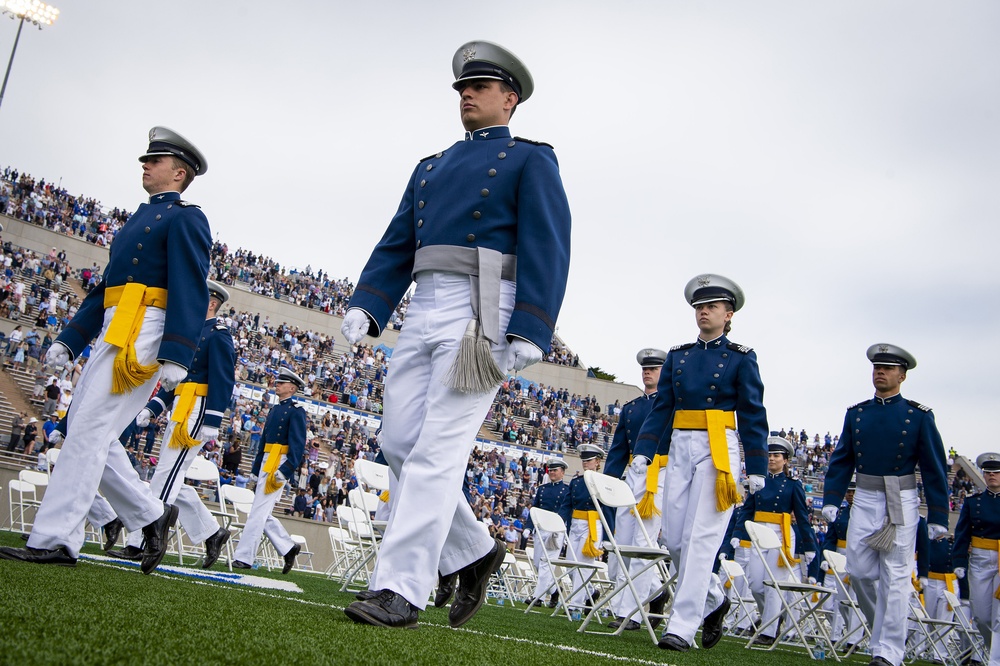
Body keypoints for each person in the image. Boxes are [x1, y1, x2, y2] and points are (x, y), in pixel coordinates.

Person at [341, 40, 571, 630]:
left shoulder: (530, 159)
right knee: (397, 442)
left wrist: (531, 326)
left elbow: (548, 245)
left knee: (438, 452)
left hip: (482, 310)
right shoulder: (431, 166)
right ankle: (473, 549)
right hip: (423, 307)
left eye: (481, 87)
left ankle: (400, 589)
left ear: (509, 99)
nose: (466, 94)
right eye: (462, 88)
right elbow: (398, 241)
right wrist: (370, 304)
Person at [0, 127, 211, 573]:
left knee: (90, 431)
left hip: (147, 332)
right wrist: (70, 339)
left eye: (154, 161)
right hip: (116, 328)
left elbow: (189, 287)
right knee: (85, 429)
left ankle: (56, 539)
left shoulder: (188, 218)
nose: (145, 165)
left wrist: (177, 353)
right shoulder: (137, 219)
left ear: (178, 172)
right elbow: (105, 289)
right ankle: (151, 515)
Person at [631, 274, 768, 652]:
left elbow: (753, 413)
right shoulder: (679, 355)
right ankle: (714, 598)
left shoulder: (741, 357)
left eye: (712, 306)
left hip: (719, 448)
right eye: (698, 306)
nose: (703, 311)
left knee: (700, 540)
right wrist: (644, 449)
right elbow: (663, 407)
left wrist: (756, 466)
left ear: (729, 315)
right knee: (674, 538)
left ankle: (682, 625)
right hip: (679, 444)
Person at [821, 343, 949, 666]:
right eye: (877, 367)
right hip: (864, 497)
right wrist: (833, 498)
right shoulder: (857, 414)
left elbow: (934, 468)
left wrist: (937, 515)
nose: (880, 372)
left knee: (895, 577)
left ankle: (887, 651)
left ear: (902, 376)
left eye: (888, 368)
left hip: (900, 499)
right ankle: (888, 631)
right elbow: (842, 459)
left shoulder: (918, 417)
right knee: (860, 572)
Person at [105, 280, 236, 569]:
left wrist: (213, 417)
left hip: (198, 407)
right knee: (170, 474)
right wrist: (154, 407)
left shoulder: (218, 336)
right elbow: (177, 379)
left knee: (166, 473)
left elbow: (223, 380)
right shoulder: (194, 332)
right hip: (181, 406)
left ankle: (140, 542)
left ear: (211, 303)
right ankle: (213, 533)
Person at [604, 348, 669, 631]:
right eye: (645, 368)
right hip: (633, 476)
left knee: (644, 544)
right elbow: (619, 449)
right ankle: (647, 594)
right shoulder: (631, 408)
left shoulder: (672, 405)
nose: (648, 372)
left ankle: (629, 612)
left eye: (654, 368)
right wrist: (608, 481)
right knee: (625, 545)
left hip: (661, 475)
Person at [731, 436, 817, 645]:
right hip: (758, 533)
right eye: (769, 455)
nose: (771, 459)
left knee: (773, 585)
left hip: (781, 535)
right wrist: (737, 532)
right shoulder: (759, 481)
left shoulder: (792, 485)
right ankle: (772, 620)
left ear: (786, 460)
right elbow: (747, 510)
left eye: (776, 456)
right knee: (755, 584)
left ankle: (768, 632)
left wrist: (809, 545)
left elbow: (802, 517)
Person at [231, 368, 305, 574]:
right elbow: (264, 442)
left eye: (282, 383)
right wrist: (255, 469)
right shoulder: (274, 410)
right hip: (266, 460)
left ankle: (244, 557)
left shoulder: (296, 410)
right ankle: (288, 547)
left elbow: (298, 445)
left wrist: (287, 469)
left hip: (279, 463)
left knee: (258, 511)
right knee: (261, 511)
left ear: (292, 388)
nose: (277, 385)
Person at [953, 452, 1000, 666]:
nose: (992, 476)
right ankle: (994, 653)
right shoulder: (974, 503)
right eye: (989, 472)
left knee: (998, 618)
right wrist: (959, 562)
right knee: (981, 616)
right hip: (980, 559)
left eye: (997, 473)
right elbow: (962, 534)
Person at [526, 458, 571, 608]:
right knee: (538, 563)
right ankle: (554, 590)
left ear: (562, 472)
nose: (551, 472)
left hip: (555, 531)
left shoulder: (566, 490)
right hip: (541, 529)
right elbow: (535, 508)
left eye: (555, 470)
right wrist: (529, 526)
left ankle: (537, 597)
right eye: (550, 470)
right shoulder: (542, 489)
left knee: (546, 564)